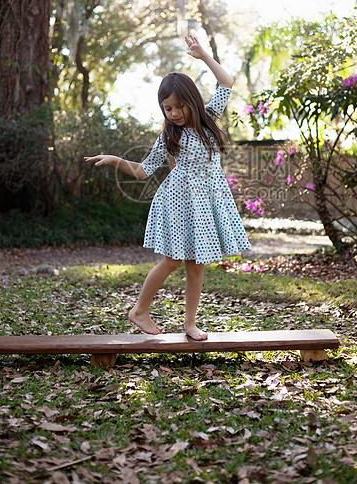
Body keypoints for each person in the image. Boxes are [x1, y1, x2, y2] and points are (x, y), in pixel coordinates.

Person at [84, 35, 250, 340]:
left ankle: (189, 324)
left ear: (193, 102)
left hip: (204, 200)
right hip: (177, 201)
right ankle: (139, 311)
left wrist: (203, 56)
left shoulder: (209, 118)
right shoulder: (168, 137)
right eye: (167, 108)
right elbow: (143, 170)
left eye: (178, 106)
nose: (173, 113)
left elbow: (226, 82)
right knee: (172, 260)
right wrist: (115, 160)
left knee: (196, 265)